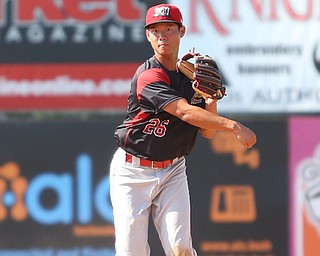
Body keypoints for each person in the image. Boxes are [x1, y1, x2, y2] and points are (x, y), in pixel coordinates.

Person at [109, 3, 257, 256]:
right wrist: (233, 125)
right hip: (132, 172)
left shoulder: (193, 77)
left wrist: (212, 103)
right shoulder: (148, 76)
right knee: (131, 253)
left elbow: (206, 131)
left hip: (172, 171)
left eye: (169, 28)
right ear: (148, 36)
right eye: (156, 30)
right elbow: (185, 112)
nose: (162, 35)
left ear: (182, 31)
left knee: (182, 250)